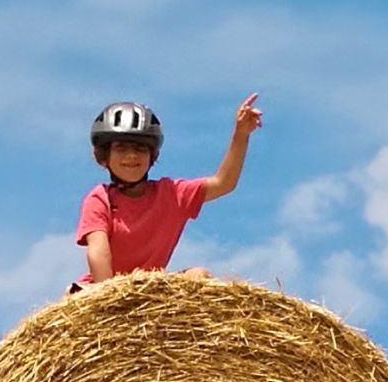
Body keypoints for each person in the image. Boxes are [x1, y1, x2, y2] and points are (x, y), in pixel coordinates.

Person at [72, 95, 262, 290]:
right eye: (121, 148)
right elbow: (98, 252)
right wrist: (111, 296)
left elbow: (223, 183)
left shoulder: (171, 195)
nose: (132, 155)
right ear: (104, 156)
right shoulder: (100, 198)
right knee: (74, 294)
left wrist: (241, 134)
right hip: (100, 287)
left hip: (149, 289)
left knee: (198, 274)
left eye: (140, 148)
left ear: (152, 155)